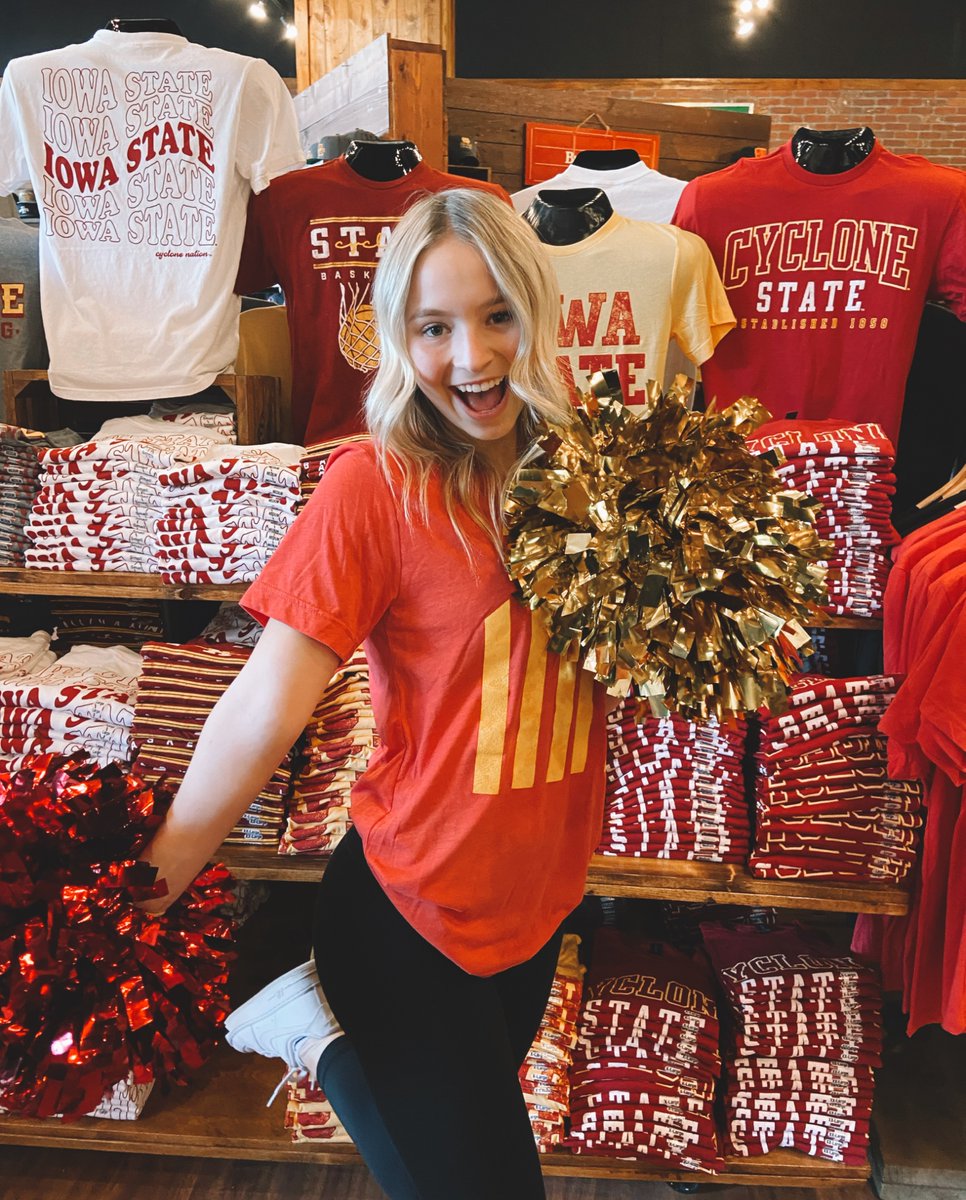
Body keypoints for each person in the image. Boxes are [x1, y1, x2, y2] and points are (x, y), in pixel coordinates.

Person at [140, 188, 610, 1199]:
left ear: (538, 313)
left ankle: (314, 1040)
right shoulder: (375, 486)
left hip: (535, 912)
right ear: (399, 338)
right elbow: (269, 702)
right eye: (434, 328)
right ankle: (327, 1026)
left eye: (497, 317)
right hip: (409, 919)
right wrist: (153, 881)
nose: (474, 359)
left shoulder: (591, 476)